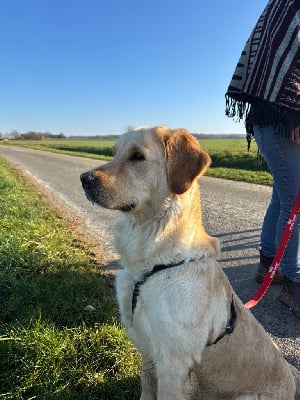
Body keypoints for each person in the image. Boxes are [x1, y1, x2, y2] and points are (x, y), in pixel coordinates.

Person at [225, 0, 300, 319]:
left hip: (270, 119)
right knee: (295, 200)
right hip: (282, 119)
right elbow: (289, 68)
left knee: (281, 196)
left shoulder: (277, 7)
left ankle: (267, 264)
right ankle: (294, 283)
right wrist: (296, 112)